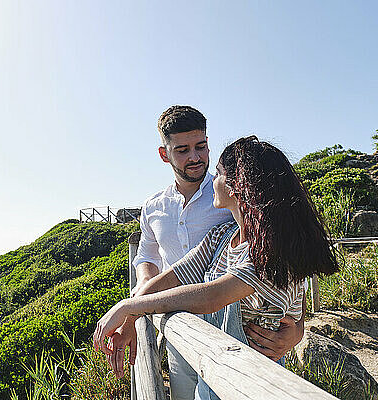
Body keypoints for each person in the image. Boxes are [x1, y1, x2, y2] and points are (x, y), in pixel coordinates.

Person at [94, 136, 339, 399]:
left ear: (236, 187)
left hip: (253, 384)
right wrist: (130, 317)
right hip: (211, 376)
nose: (213, 181)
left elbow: (213, 296)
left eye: (219, 174)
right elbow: (173, 277)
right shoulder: (221, 235)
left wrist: (128, 306)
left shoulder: (272, 252)